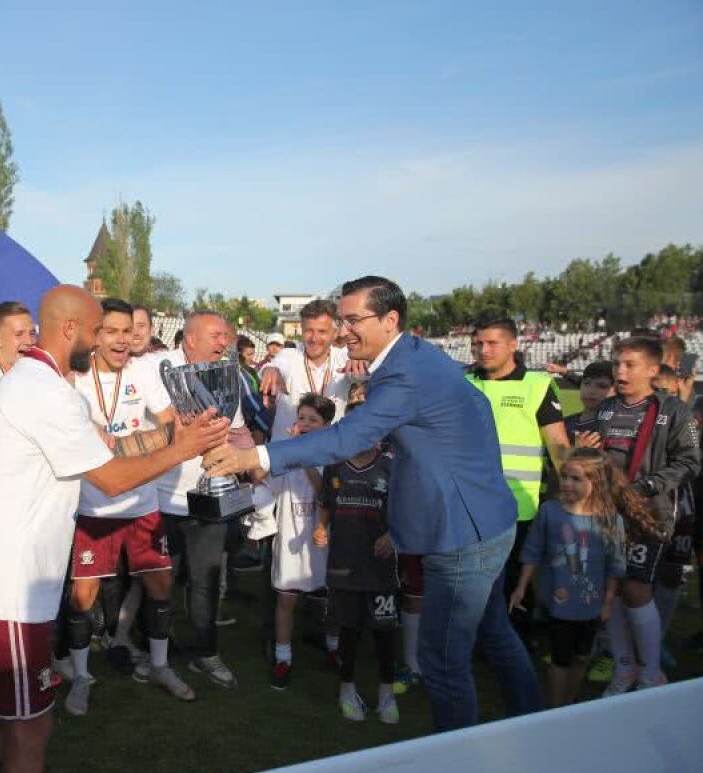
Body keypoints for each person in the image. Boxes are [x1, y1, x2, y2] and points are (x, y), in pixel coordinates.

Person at [206, 275, 542, 731]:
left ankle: (460, 758)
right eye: (341, 321)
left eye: (352, 320)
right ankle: (534, 722)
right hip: (484, 519)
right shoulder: (418, 357)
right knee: (494, 633)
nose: (344, 332)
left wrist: (256, 456)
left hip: (464, 534)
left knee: (441, 659)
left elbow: (351, 436)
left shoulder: (405, 372)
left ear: (390, 319)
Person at [0, 285, 228, 773]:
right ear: (70, 329)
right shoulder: (43, 390)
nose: (102, 343)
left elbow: (111, 447)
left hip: (2, 581)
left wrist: (172, 436)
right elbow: (113, 478)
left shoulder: (40, 381)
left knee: (0, 709)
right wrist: (182, 447)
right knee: (31, 729)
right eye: (97, 330)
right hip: (9, 589)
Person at [62, 298, 195, 714]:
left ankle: (158, 665)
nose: (123, 339)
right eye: (112, 331)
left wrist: (123, 445)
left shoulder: (145, 372)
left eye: (128, 330)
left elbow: (174, 426)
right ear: (95, 335)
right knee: (83, 595)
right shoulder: (73, 379)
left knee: (160, 585)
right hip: (94, 505)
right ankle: (81, 674)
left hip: (142, 500)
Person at [581, 337, 700, 695]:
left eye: (629, 365)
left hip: (650, 513)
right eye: (617, 364)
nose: (620, 371)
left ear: (653, 370)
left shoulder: (674, 410)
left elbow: (691, 461)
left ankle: (650, 672)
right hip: (606, 510)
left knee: (636, 587)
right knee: (611, 590)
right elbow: (597, 458)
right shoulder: (606, 409)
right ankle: (624, 668)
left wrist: (646, 487)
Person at [155, 310, 257, 689]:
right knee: (160, 583)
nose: (223, 343)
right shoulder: (155, 370)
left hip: (210, 500)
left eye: (226, 337)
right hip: (162, 498)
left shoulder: (228, 377)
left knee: (206, 581)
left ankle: (205, 651)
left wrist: (257, 464)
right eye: (216, 336)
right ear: (190, 339)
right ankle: (158, 654)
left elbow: (238, 431)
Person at [510, 449, 651, 706]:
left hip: (592, 605)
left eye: (575, 479)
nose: (566, 484)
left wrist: (608, 601)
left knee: (582, 656)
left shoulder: (610, 520)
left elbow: (615, 565)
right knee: (560, 658)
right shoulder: (550, 512)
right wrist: (521, 586)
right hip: (558, 604)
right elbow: (532, 550)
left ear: (595, 482)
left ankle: (569, 702)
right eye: (564, 477)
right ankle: (554, 710)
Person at [466, 317, 571, 644]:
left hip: (518, 507)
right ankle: (480, 642)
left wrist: (575, 496)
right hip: (468, 504)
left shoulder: (536, 385)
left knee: (515, 581)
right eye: (478, 343)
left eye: (492, 343)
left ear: (514, 345)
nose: (483, 350)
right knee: (472, 581)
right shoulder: (464, 382)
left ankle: (519, 642)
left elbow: (559, 447)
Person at [314, 423, 400, 724]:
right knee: (348, 630)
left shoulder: (391, 468)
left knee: (384, 631)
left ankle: (386, 693)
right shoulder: (336, 467)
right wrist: (321, 526)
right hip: (344, 564)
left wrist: (392, 535)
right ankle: (347, 690)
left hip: (380, 568)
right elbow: (326, 503)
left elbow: (405, 511)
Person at [251, 393, 334, 689]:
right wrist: (283, 450)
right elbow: (258, 475)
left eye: (313, 420)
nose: (305, 424)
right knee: (286, 599)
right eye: (301, 418)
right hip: (289, 539)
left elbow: (325, 493)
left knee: (326, 599)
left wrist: (304, 456)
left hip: (320, 539)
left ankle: (335, 647)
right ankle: (283, 657)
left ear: (326, 425)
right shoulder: (288, 452)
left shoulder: (330, 455)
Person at [261, 300, 350, 442]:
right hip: (287, 454)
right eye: (309, 331)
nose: (314, 338)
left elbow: (362, 375)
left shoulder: (345, 358)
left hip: (328, 456)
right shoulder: (289, 355)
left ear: (335, 333)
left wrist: (361, 369)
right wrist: (270, 370)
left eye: (322, 332)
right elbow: (273, 367)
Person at [564, 361, 614, 440]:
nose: (591, 391)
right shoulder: (564, 423)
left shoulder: (616, 427)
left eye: (602, 386)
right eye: (587, 383)